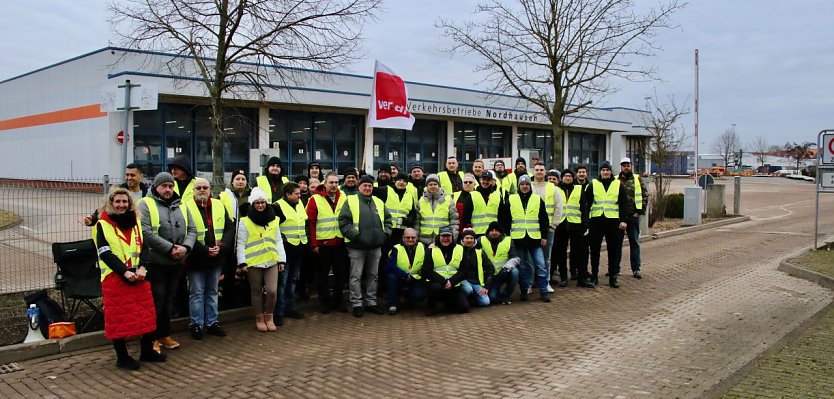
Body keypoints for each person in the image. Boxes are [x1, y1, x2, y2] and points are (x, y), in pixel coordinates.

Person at [94, 187, 166, 370]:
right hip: (115, 277)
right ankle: (122, 357)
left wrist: (143, 267)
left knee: (147, 315)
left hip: (138, 276)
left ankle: (147, 351)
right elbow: (105, 253)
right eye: (117, 202)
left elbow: (143, 248)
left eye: (124, 202)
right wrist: (124, 272)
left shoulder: (136, 221)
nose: (121, 205)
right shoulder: (102, 224)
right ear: (110, 203)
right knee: (118, 320)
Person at [136, 172, 196, 352]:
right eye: (164, 186)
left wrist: (185, 248)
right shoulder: (145, 204)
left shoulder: (182, 205)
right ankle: (151, 337)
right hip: (156, 262)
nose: (168, 189)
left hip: (176, 262)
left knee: (169, 300)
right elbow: (145, 233)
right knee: (156, 300)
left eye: (171, 186)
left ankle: (164, 334)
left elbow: (192, 229)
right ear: (156, 187)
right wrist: (170, 249)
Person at [183, 178, 233, 339]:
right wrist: (204, 250)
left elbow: (229, 228)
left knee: (212, 291)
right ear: (193, 191)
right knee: (196, 292)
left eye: (205, 187)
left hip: (216, 257)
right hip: (195, 258)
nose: (202, 190)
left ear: (210, 189)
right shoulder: (186, 208)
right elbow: (184, 233)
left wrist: (223, 246)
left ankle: (212, 322)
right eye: (199, 188)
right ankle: (196, 325)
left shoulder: (219, 205)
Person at [338, 175, 392, 317]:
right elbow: (344, 222)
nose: (367, 188)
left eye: (370, 186)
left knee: (373, 275)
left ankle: (371, 302)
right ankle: (357, 303)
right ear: (359, 187)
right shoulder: (350, 201)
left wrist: (385, 234)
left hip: (375, 247)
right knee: (356, 276)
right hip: (357, 247)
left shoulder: (379, 202)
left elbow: (388, 219)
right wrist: (356, 236)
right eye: (364, 185)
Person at [235, 187, 287, 332]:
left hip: (271, 260)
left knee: (272, 291)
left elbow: (278, 241)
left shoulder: (274, 220)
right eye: (257, 202)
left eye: (262, 202)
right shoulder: (245, 222)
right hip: (253, 262)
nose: (260, 205)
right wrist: (242, 262)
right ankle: (259, 317)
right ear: (252, 204)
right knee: (256, 291)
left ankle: (269, 316)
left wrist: (281, 260)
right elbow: (240, 243)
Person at [306, 171, 349, 313]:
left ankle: (338, 302)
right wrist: (314, 244)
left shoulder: (344, 198)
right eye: (331, 182)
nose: (334, 185)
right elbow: (310, 223)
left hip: (340, 243)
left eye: (336, 182)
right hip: (323, 244)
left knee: (340, 275)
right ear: (325, 183)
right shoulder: (314, 199)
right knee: (322, 276)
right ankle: (325, 303)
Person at [585, 161, 628, 288]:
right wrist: (587, 220)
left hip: (613, 222)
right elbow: (586, 203)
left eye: (607, 170)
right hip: (596, 221)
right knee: (594, 250)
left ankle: (613, 276)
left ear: (610, 171)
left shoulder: (618, 185)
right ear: (600, 172)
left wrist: (624, 220)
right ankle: (594, 276)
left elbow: (624, 204)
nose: (605, 172)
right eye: (603, 170)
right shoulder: (593, 184)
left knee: (613, 250)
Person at [508, 175, 551, 302]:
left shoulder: (537, 199)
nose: (524, 186)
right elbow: (506, 219)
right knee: (523, 266)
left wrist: (544, 236)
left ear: (529, 185)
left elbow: (544, 219)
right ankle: (524, 291)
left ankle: (544, 291)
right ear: (519, 186)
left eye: (527, 184)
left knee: (541, 265)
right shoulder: (511, 199)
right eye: (522, 184)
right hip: (519, 239)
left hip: (534, 239)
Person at [551, 169, 595, 288]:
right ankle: (564, 278)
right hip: (561, 225)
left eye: (570, 176)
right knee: (561, 254)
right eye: (565, 176)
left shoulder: (578, 189)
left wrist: (585, 223)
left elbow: (584, 208)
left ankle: (582, 279)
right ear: (562, 178)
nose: (568, 178)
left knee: (580, 253)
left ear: (573, 177)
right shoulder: (556, 190)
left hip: (576, 225)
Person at [273, 182, 308, 325]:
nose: (300, 196)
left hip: (299, 249)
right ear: (288, 194)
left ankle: (290, 307)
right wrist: (284, 243)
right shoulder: (277, 206)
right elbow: (274, 229)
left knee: (293, 280)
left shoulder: (299, 204)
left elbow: (304, 222)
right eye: (297, 194)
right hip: (285, 251)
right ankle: (279, 312)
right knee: (282, 282)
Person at [218, 169, 251, 309]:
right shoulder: (225, 195)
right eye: (237, 178)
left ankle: (246, 299)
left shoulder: (252, 195)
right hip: (231, 239)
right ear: (232, 181)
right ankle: (229, 300)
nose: (240, 181)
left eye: (243, 179)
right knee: (230, 271)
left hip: (249, 239)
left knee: (249, 271)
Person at [530, 162, 563, 292]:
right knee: (530, 258)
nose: (539, 172)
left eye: (541, 170)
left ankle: (546, 282)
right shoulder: (528, 186)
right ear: (533, 172)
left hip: (548, 229)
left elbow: (559, 208)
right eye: (537, 170)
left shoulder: (552, 188)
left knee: (546, 258)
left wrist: (554, 225)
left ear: (545, 172)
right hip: (531, 228)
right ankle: (531, 283)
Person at [83, 164, 150, 227]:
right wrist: (92, 219)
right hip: (123, 231)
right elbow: (104, 209)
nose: (129, 178)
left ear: (141, 176)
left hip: (143, 233)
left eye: (132, 175)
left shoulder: (148, 195)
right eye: (127, 175)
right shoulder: (117, 193)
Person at [423, 226, 469, 316]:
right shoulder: (431, 249)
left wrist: (452, 281)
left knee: (463, 308)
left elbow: (464, 270)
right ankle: (430, 306)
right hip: (437, 283)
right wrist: (443, 281)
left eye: (448, 236)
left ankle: (449, 303)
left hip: (454, 284)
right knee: (435, 287)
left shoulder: (460, 249)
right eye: (443, 236)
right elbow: (426, 270)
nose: (445, 239)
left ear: (452, 237)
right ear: (439, 237)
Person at [383, 228, 426, 315]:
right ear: (403, 238)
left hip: (415, 279)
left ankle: (407, 297)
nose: (410, 240)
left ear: (417, 238)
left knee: (419, 296)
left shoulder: (422, 247)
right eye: (408, 237)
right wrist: (404, 275)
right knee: (391, 276)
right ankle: (393, 303)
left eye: (413, 237)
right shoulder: (396, 248)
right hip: (400, 278)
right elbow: (388, 266)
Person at [618, 157, 648, 279]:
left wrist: (639, 212)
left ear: (631, 166)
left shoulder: (637, 179)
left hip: (633, 216)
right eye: (624, 165)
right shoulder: (616, 180)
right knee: (616, 244)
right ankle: (615, 268)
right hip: (619, 217)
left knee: (634, 243)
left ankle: (636, 269)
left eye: (628, 165)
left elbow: (645, 195)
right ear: (621, 166)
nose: (626, 167)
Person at [480, 222, 520, 304]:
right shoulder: (481, 240)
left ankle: (506, 295)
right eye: (491, 230)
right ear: (488, 232)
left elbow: (515, 258)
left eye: (496, 230)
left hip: (503, 273)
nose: (494, 233)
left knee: (515, 272)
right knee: (493, 298)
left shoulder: (508, 240)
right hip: (488, 276)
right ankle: (497, 294)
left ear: (501, 232)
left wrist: (505, 268)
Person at [414, 174, 459, 244]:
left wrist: (452, 238)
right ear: (426, 186)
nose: (433, 186)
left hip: (443, 240)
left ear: (439, 186)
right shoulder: (421, 200)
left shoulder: (448, 199)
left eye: (435, 184)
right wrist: (416, 238)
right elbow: (417, 222)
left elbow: (454, 221)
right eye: (430, 184)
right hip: (424, 240)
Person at [458, 229, 493, 307]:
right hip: (462, 281)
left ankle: (471, 299)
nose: (469, 240)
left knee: (485, 302)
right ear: (463, 239)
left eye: (471, 238)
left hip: (476, 282)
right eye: (467, 238)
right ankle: (462, 300)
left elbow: (490, 268)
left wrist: (486, 286)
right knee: (468, 289)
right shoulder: (457, 250)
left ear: (474, 240)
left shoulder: (479, 251)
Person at [472, 170, 510, 235]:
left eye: (488, 180)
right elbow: (467, 216)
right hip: (476, 232)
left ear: (491, 181)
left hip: (493, 233)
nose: (485, 182)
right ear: (480, 180)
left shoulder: (497, 196)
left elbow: (502, 216)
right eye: (484, 179)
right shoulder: (472, 195)